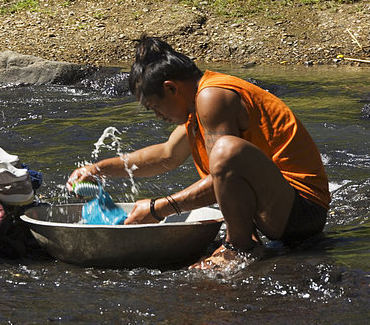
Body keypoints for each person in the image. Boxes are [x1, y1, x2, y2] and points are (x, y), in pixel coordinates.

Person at [67, 35, 330, 269]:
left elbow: (225, 168)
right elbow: (166, 155)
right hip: (277, 208)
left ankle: (240, 246)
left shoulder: (212, 96)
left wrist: (159, 209)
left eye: (154, 107)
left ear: (171, 88)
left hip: (301, 213)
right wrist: (98, 169)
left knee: (226, 151)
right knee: (224, 154)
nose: (157, 116)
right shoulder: (196, 106)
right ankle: (245, 236)